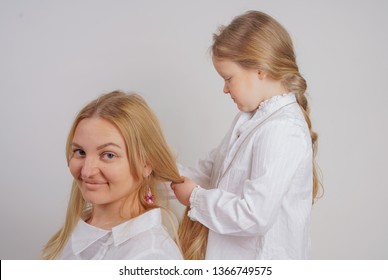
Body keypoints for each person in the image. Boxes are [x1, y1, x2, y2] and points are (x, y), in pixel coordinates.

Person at [171, 10, 321, 260]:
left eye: (228, 78)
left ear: (260, 69)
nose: (225, 89)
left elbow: (254, 215)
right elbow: (211, 170)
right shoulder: (251, 120)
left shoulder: (283, 129)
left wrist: (196, 198)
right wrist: (161, 173)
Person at [42, 91, 184, 260]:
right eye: (80, 152)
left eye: (108, 155)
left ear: (146, 164)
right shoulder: (77, 231)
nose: (87, 171)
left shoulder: (152, 256)